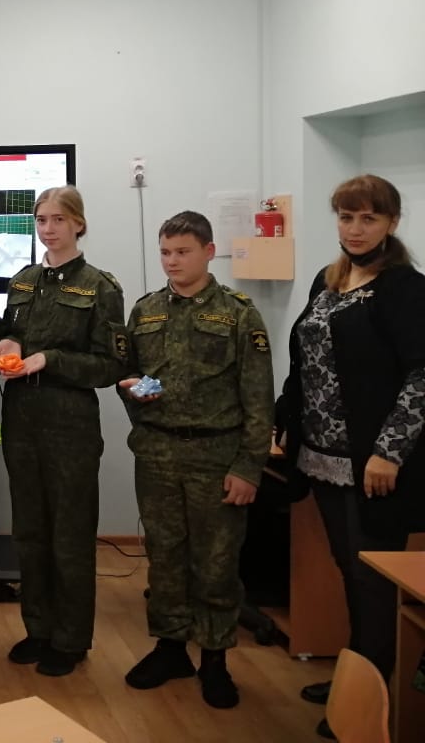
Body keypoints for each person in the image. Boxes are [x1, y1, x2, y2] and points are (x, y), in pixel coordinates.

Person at [275, 175, 425, 740]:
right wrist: (284, 416)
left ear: (391, 222)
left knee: (372, 579)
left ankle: (369, 705)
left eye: (368, 218)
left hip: (373, 464)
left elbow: (422, 376)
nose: (355, 229)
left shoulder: (405, 287)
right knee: (349, 570)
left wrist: (389, 452)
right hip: (321, 456)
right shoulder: (329, 279)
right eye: (346, 217)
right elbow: (306, 360)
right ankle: (355, 677)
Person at [117, 211, 274, 709]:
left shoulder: (238, 313)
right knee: (164, 557)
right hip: (158, 452)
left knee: (216, 562)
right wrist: (134, 394)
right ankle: (170, 648)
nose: (172, 261)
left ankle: (215, 659)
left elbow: (259, 398)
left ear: (208, 252)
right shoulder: (145, 311)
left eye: (182, 252)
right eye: (165, 252)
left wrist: (249, 466)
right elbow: (127, 375)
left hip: (216, 455)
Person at [0, 185, 126, 677]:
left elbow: (110, 365)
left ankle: (70, 639)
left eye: (58, 219)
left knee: (69, 534)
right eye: (42, 220)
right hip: (22, 419)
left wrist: (50, 359)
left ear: (78, 224)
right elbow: (10, 331)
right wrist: (9, 343)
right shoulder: (24, 280)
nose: (48, 229)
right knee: (30, 532)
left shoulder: (99, 286)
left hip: (69, 424)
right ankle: (38, 629)